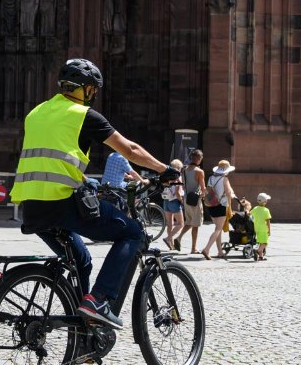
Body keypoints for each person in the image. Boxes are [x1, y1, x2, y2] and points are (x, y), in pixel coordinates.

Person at [10, 58, 179, 329]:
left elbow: (50, 158)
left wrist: (85, 181)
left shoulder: (36, 113)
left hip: (31, 206)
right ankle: (98, 300)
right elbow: (130, 150)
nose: (94, 95)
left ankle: (82, 330)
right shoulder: (82, 115)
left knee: (81, 261)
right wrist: (164, 169)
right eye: (94, 90)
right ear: (87, 89)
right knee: (132, 232)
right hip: (62, 202)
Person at [199, 160, 237, 260]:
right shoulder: (225, 179)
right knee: (218, 229)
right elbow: (228, 193)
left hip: (211, 205)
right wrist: (230, 204)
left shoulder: (211, 178)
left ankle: (220, 251)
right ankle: (206, 249)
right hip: (221, 205)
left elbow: (209, 190)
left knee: (217, 229)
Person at [181, 149, 207, 252]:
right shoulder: (199, 171)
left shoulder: (184, 170)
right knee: (195, 225)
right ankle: (193, 248)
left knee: (189, 222)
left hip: (187, 199)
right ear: (199, 159)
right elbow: (203, 188)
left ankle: (178, 238)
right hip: (196, 200)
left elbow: (183, 187)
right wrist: (204, 195)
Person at [161, 158, 185, 249]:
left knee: (169, 224)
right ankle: (168, 238)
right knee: (180, 223)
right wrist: (181, 201)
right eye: (180, 168)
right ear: (178, 167)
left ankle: (171, 245)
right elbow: (178, 192)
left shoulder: (166, 175)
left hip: (166, 200)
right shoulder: (178, 176)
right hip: (174, 201)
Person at [251, 192, 272, 260]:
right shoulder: (266, 210)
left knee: (260, 242)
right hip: (264, 229)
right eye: (266, 201)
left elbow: (249, 214)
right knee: (265, 243)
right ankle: (257, 251)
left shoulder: (255, 208)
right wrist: (269, 230)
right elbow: (268, 221)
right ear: (265, 202)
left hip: (257, 229)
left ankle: (261, 256)